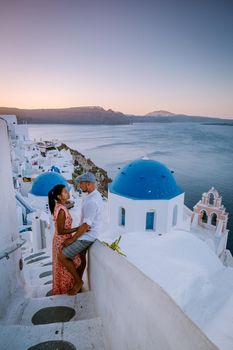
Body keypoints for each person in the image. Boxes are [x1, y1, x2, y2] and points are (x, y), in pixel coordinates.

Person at [58, 172, 103, 295]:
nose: (79, 186)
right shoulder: (93, 196)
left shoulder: (91, 201)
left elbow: (86, 225)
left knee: (62, 256)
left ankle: (78, 282)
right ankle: (78, 281)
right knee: (82, 257)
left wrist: (72, 239)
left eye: (81, 183)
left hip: (88, 236)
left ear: (88, 184)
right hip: (89, 233)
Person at [48, 184, 81, 295]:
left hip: (60, 240)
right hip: (61, 241)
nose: (68, 193)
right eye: (65, 192)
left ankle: (66, 288)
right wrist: (77, 229)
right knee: (65, 266)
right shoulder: (61, 210)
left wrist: (67, 203)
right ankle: (69, 287)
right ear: (59, 196)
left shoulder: (59, 206)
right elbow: (61, 230)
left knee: (63, 267)